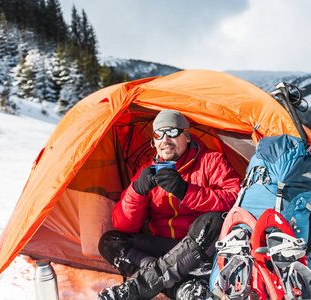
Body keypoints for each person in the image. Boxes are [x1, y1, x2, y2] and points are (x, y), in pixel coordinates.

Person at [98, 109, 241, 300]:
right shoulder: (147, 171)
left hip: (201, 249)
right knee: (110, 242)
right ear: (154, 142)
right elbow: (124, 225)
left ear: (187, 137)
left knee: (214, 220)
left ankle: (135, 289)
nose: (165, 139)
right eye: (159, 134)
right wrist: (137, 191)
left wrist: (185, 191)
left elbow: (236, 200)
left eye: (172, 132)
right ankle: (184, 288)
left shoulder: (211, 161)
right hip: (165, 248)